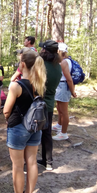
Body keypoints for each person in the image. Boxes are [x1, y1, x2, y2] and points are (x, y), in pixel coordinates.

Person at [3, 48, 46, 193]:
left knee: (18, 166)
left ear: (22, 65)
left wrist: (7, 119)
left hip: (18, 128)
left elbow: (6, 111)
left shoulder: (16, 86)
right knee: (32, 162)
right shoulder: (40, 84)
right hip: (35, 127)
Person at [37, 40, 62, 171]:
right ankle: (48, 162)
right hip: (49, 104)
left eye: (42, 49)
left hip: (37, 104)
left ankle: (28, 162)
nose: (40, 50)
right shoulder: (58, 66)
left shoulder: (41, 65)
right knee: (46, 133)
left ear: (45, 51)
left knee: (32, 132)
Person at [52, 43, 77, 140]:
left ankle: (64, 133)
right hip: (60, 86)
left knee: (64, 111)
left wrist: (72, 91)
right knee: (59, 108)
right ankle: (59, 125)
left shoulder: (64, 62)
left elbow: (69, 79)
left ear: (59, 51)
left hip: (63, 87)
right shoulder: (64, 61)